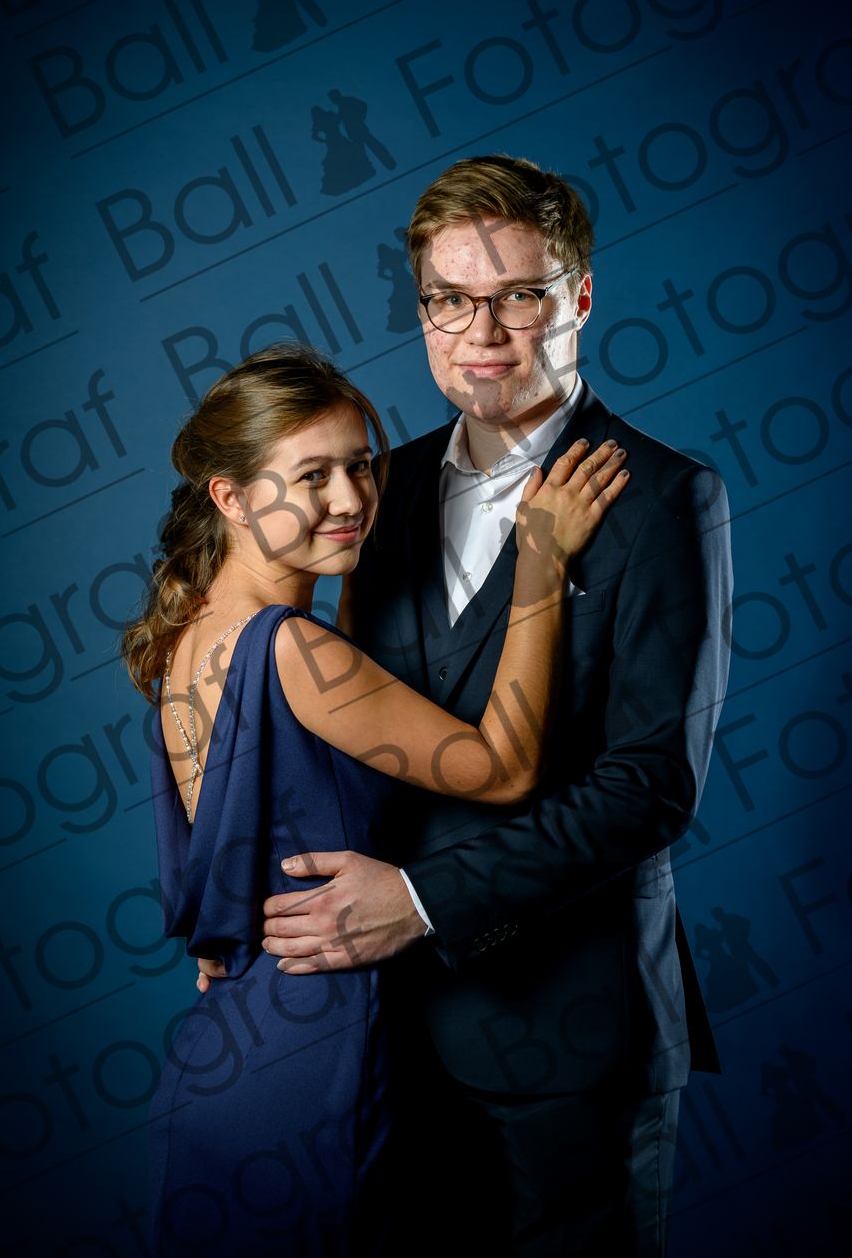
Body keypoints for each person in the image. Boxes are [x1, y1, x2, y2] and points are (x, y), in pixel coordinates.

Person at [200, 155, 734, 1255]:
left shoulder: (667, 498)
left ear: (580, 296)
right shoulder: (374, 490)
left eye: (518, 295)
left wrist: (422, 899)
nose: (480, 331)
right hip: (383, 1028)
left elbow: (649, 787)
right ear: (422, 310)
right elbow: (334, 729)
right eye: (450, 299)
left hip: (572, 1036)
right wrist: (239, 901)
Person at [121, 341, 627, 1255]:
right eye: (310, 476)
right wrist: (540, 561)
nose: (351, 498)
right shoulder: (291, 649)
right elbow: (502, 767)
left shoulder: (192, 639)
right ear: (230, 498)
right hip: (319, 1059)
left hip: (228, 1051)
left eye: (359, 465)